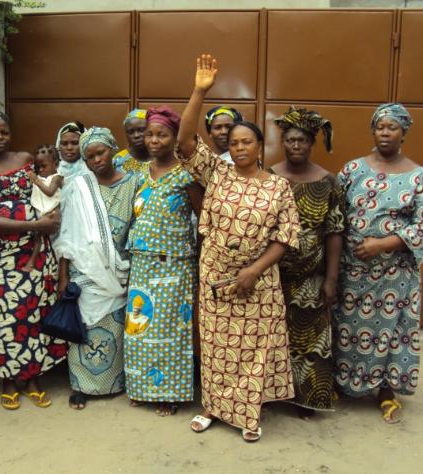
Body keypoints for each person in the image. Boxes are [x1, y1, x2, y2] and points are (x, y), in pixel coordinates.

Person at [177, 54, 301, 441]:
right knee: (217, 347)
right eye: (233, 143)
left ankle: (248, 415)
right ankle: (212, 408)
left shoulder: (278, 186)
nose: (240, 148)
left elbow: (286, 236)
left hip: (259, 282)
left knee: (252, 351)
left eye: (247, 141)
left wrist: (254, 270)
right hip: (216, 277)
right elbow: (184, 142)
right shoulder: (218, 173)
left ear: (260, 145)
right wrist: (199, 92)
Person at [333, 103, 423, 424]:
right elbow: (334, 214)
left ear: (404, 133)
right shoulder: (352, 170)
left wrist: (382, 244)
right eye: (380, 127)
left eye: (393, 127)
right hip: (352, 271)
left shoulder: (417, 176)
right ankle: (342, 383)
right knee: (347, 326)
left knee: (391, 332)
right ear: (373, 131)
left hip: (395, 278)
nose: (385, 133)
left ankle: (385, 389)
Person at [0, 111, 66, 410]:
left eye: (4, 132)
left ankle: (33, 379)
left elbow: (46, 192)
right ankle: (8, 380)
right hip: (0, 259)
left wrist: (51, 217)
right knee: (3, 318)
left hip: (36, 254)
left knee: (35, 315)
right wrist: (35, 225)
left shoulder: (25, 159)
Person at [124, 106, 204, 417]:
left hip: (174, 264)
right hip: (142, 264)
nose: (154, 140)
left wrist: (202, 261)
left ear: (174, 139)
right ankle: (141, 388)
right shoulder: (139, 173)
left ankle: (169, 393)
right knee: (139, 328)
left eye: (162, 135)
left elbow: (203, 220)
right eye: (149, 135)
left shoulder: (187, 175)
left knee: (170, 331)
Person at [54, 127, 139, 410]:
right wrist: (62, 276)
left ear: (113, 149)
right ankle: (80, 386)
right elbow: (67, 236)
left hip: (119, 270)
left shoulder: (134, 183)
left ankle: (114, 383)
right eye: (89, 157)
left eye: (100, 153)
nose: (96, 160)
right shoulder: (78, 186)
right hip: (84, 271)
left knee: (115, 328)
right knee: (84, 327)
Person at [271, 106, 344, 418]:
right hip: (273, 274)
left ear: (312, 143)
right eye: (290, 140)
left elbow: (335, 232)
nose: (296, 145)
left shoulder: (329, 182)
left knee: (310, 341)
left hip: (312, 277)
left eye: (302, 140)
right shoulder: (269, 176)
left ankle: (307, 399)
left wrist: (331, 279)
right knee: (273, 336)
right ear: (283, 142)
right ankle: (272, 395)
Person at [26, 144, 63, 271]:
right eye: (38, 167)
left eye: (44, 166)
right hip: (41, 213)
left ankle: (57, 265)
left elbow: (50, 192)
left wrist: (36, 181)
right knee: (37, 236)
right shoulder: (40, 178)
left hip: (52, 212)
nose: (40, 170)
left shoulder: (57, 178)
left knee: (57, 243)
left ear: (55, 164)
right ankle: (34, 259)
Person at [113, 108, 150, 175]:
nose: (136, 135)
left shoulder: (162, 159)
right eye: (130, 132)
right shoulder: (118, 160)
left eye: (141, 130)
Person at [56, 121, 87, 186]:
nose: (69, 148)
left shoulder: (92, 171)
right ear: (58, 146)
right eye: (64, 143)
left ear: (83, 145)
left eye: (75, 143)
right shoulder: (50, 170)